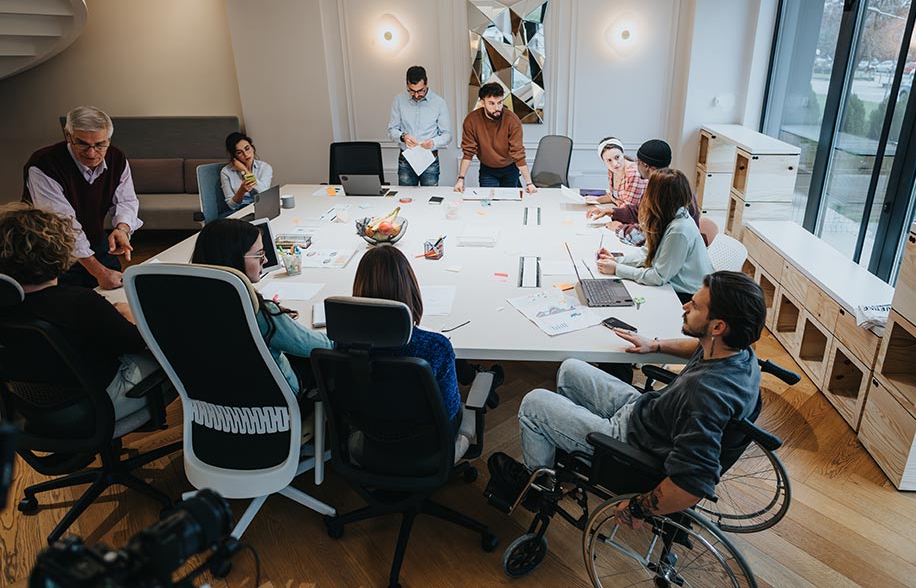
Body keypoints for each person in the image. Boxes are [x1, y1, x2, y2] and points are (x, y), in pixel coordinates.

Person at [488, 271, 765, 526]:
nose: (685, 306)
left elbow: (692, 483)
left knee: (534, 403)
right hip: (645, 414)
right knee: (570, 368)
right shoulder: (736, 353)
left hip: (630, 445)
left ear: (717, 327)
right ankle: (566, 450)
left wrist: (638, 509)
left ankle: (537, 489)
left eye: (694, 305)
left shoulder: (705, 396)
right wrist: (655, 345)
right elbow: (698, 345)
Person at [0, 203, 161, 420]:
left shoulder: (9, 307)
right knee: (170, 357)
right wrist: (129, 317)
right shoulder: (80, 302)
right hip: (93, 407)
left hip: (30, 412)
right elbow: (133, 343)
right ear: (59, 249)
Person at [190, 219, 330, 397]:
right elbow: (319, 346)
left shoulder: (191, 303)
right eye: (259, 255)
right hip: (275, 400)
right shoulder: (258, 312)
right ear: (233, 258)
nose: (266, 260)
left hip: (216, 396)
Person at [22, 106, 140, 290]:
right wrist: (99, 272)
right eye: (83, 143)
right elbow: (63, 225)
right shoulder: (44, 165)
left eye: (100, 144)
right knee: (65, 303)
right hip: (50, 248)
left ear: (108, 139)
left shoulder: (117, 158)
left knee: (117, 291)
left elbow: (126, 200)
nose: (92, 153)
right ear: (68, 135)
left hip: (94, 239)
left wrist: (122, 229)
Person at [352, 244, 461, 422]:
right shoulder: (435, 347)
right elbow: (449, 411)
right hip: (430, 441)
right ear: (409, 288)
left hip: (371, 435)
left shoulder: (345, 343)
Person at [596, 170, 712, 302]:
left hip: (688, 296)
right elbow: (647, 252)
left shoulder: (679, 230)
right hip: (672, 285)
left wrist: (617, 269)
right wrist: (616, 261)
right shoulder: (666, 216)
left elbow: (658, 277)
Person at [585, 138, 699, 246]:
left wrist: (619, 228)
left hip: (676, 251)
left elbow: (646, 235)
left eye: (637, 161)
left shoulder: (664, 190)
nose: (635, 164)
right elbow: (641, 210)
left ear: (645, 165)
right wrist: (610, 211)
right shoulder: (670, 180)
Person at [454, 83, 537, 193]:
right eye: (491, 103)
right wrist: (460, 179)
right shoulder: (471, 120)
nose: (497, 108)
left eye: (500, 102)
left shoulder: (512, 120)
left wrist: (529, 183)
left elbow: (518, 154)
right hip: (488, 169)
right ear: (482, 103)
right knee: (489, 204)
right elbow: (468, 152)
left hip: (510, 169)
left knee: (508, 204)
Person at [387, 66, 452, 186]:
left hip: (430, 160)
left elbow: (447, 135)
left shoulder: (439, 103)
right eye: (412, 90)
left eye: (420, 90)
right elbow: (392, 130)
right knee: (405, 199)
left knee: (429, 200)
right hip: (406, 160)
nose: (416, 95)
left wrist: (433, 142)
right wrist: (403, 137)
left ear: (426, 83)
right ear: (407, 85)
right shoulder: (399, 100)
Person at [220, 132, 274, 211]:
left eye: (247, 148)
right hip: (239, 211)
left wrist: (245, 171)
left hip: (261, 207)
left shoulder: (265, 167)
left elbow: (264, 194)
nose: (245, 154)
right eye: (239, 152)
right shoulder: (226, 172)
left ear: (252, 147)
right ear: (234, 155)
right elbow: (232, 206)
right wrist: (241, 191)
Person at [593, 137, 647, 208]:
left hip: (638, 216)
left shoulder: (634, 173)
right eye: (609, 160)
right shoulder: (612, 171)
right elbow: (615, 197)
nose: (615, 164)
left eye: (617, 157)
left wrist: (614, 202)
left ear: (623, 153)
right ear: (604, 162)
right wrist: (596, 200)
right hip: (622, 212)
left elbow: (629, 210)